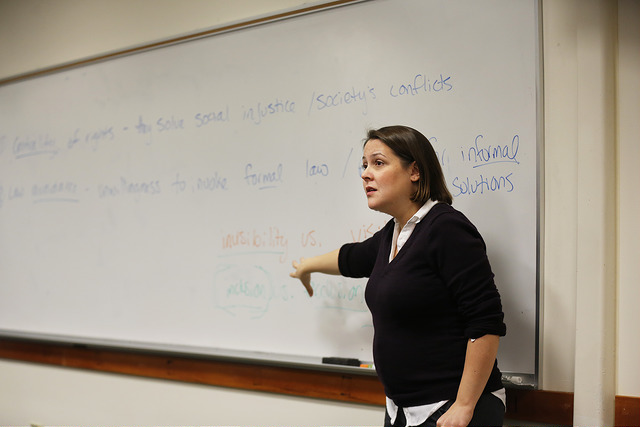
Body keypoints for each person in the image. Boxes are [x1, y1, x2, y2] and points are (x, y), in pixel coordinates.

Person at [290, 125, 507, 427]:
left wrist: (464, 404)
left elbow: (485, 322)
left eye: (378, 163)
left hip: (450, 409)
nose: (366, 173)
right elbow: (350, 258)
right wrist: (306, 266)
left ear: (414, 171)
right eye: (364, 165)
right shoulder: (393, 234)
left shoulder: (446, 229)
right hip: (403, 409)